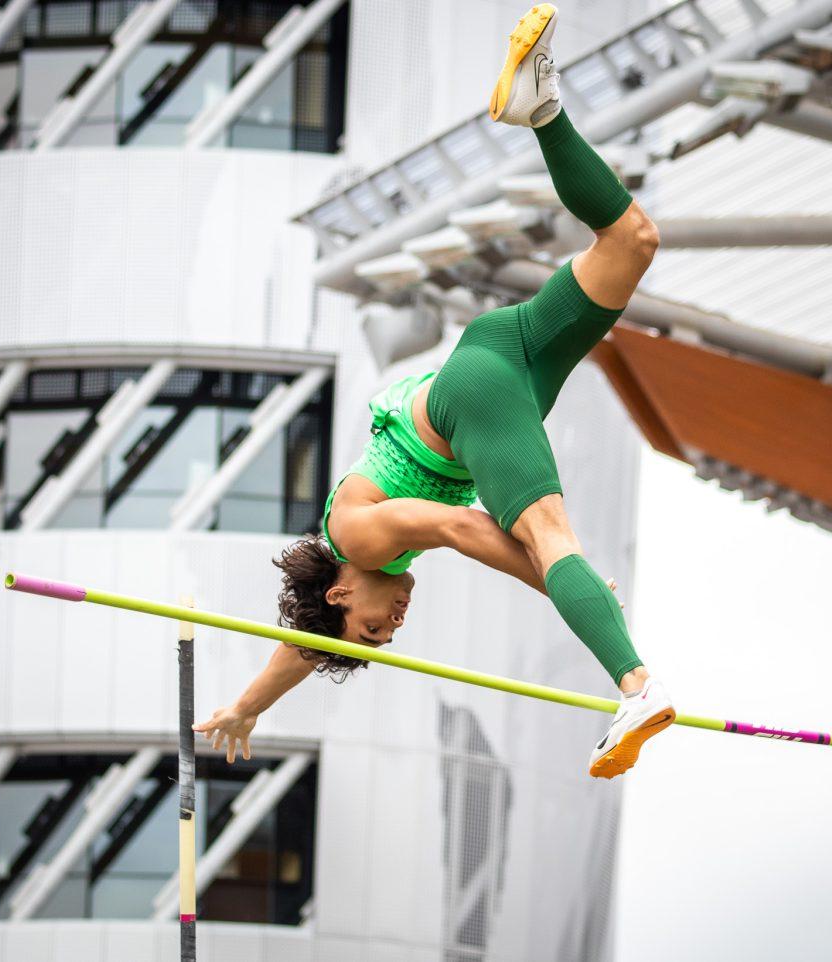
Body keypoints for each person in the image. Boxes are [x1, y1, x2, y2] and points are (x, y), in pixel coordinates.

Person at [194, 3, 675, 779]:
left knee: (552, 540)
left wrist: (553, 575)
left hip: (470, 398)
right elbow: (303, 645)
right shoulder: (356, 561)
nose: (394, 627)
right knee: (630, 240)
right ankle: (543, 108)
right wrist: (250, 706)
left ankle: (636, 686)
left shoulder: (358, 538)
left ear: (344, 597)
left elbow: (456, 523)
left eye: (376, 632)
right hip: (501, 355)